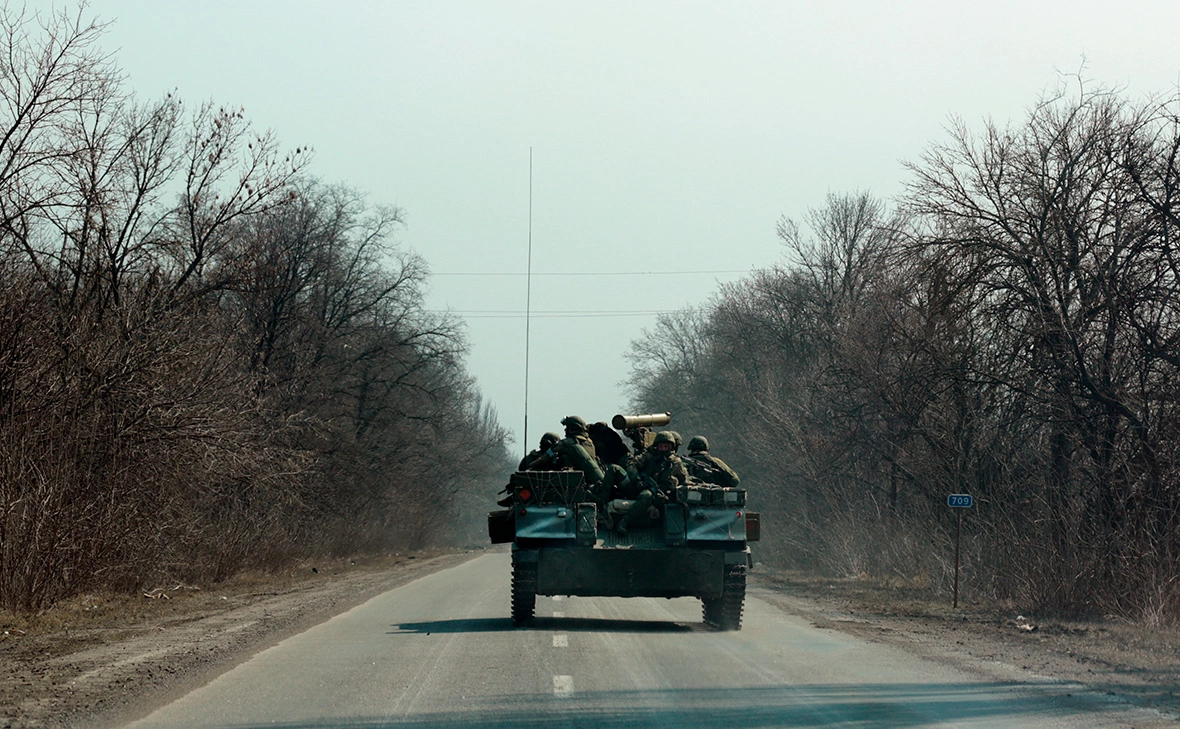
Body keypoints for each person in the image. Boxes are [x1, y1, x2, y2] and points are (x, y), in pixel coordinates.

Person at [616, 430, 687, 535]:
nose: (663, 449)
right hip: (646, 489)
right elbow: (632, 465)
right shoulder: (649, 456)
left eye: (665, 447)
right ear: (656, 446)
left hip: (664, 494)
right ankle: (625, 522)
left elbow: (684, 479)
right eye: (661, 446)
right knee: (646, 495)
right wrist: (637, 479)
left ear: (671, 447)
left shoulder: (676, 462)